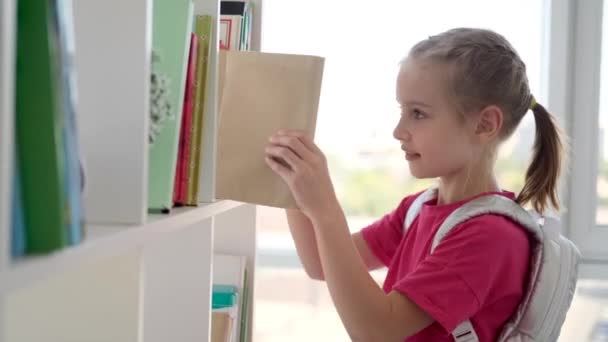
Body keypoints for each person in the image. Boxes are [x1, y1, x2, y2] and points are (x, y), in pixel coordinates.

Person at [264, 27, 564, 342]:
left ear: (485, 124)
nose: (398, 130)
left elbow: (375, 331)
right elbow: (319, 262)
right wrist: (292, 179)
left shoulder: (489, 237)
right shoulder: (418, 209)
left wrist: (325, 208)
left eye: (418, 113)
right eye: (402, 111)